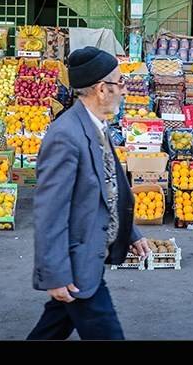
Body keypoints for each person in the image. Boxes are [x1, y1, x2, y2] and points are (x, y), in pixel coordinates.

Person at [28, 46, 150, 340]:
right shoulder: (65, 136)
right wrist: (55, 276)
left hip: (89, 254)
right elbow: (49, 212)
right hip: (78, 261)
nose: (124, 90)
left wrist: (130, 231)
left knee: (51, 330)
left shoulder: (96, 126)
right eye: (120, 83)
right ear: (101, 89)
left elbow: (106, 187)